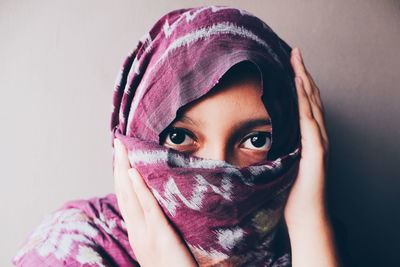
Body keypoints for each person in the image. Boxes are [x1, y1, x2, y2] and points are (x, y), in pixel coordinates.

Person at [12, 6, 339, 267]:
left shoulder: (303, 248)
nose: (217, 171)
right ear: (132, 135)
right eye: (181, 136)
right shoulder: (69, 250)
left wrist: (310, 224)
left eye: (256, 140)